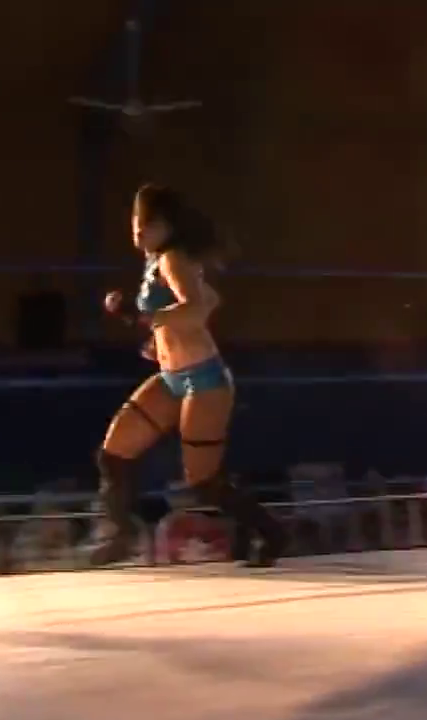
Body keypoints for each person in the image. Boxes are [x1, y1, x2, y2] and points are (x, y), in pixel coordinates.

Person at [91, 183, 287, 567]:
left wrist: (148, 318)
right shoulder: (156, 262)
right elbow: (210, 299)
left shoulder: (172, 258)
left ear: (166, 226)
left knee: (202, 482)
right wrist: (159, 338)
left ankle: (271, 533)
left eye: (148, 223)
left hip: (204, 378)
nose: (138, 230)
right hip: (171, 377)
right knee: (113, 454)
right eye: (136, 221)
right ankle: (122, 533)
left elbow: (195, 308)